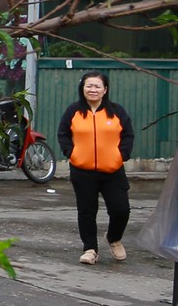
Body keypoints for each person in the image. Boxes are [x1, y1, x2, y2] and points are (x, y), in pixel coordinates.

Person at [58, 70, 136, 265]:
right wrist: (71, 153)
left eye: (97, 86)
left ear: (105, 90)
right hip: (82, 170)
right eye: (89, 86)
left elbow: (128, 135)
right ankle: (90, 249)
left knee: (121, 209)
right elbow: (63, 134)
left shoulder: (116, 111)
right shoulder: (73, 111)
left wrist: (121, 156)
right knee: (86, 211)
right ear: (82, 88)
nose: (93, 90)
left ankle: (114, 238)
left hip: (113, 170)